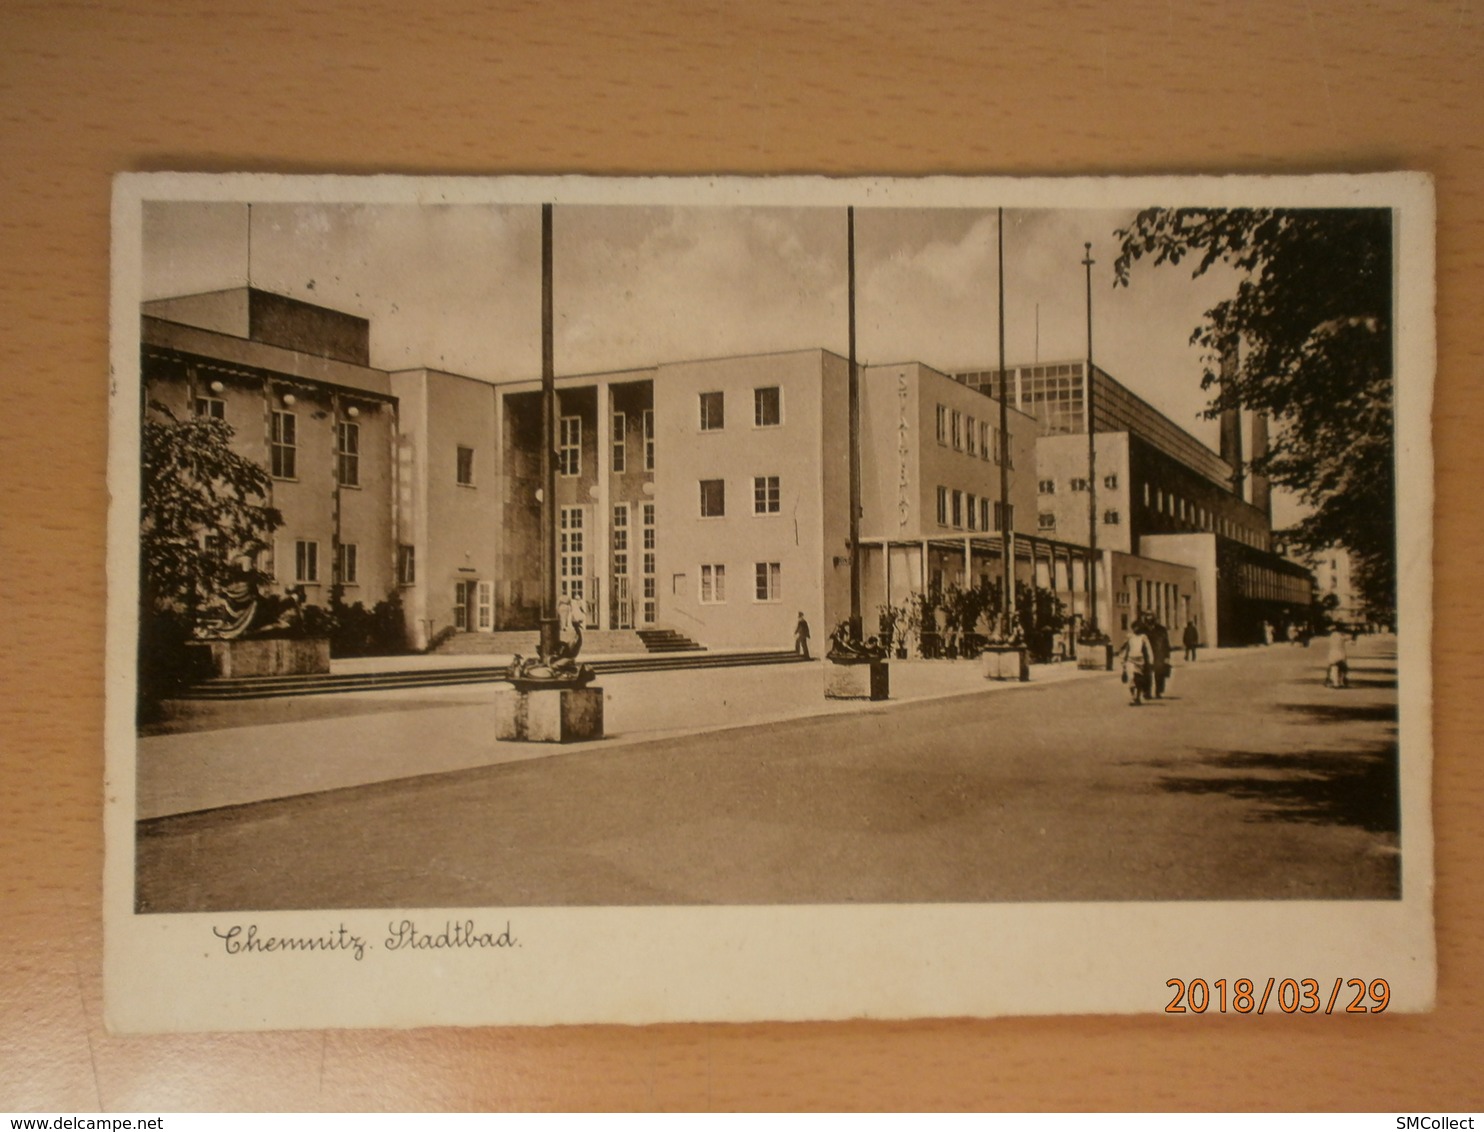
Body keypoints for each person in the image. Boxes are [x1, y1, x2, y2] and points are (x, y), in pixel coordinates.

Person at [1119, 622, 1155, 706]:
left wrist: (1151, 660)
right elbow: (1125, 648)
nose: (1135, 629)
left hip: (1140, 661)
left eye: (1137, 627)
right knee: (1131, 678)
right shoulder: (1130, 636)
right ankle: (1133, 697)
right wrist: (1122, 659)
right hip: (1130, 660)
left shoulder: (1143, 637)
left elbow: (1149, 649)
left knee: (1138, 680)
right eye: (1134, 627)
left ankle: (1137, 697)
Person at [1146, 615, 1172, 698]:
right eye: (1148, 620)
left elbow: (1166, 643)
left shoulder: (1161, 629)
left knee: (1159, 674)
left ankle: (1159, 691)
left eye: (1151, 620)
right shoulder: (1143, 630)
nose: (1149, 623)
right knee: (1146, 674)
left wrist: (1167, 656)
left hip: (1159, 654)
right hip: (1147, 654)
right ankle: (1147, 692)